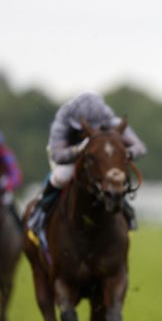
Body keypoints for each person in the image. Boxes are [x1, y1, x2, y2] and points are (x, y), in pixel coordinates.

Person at [27, 92, 147, 242]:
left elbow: (140, 147)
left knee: (113, 179)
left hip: (98, 161)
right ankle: (40, 212)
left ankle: (127, 214)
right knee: (61, 177)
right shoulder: (63, 121)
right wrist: (79, 149)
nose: (93, 131)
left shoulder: (110, 120)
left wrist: (124, 153)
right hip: (70, 157)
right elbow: (57, 155)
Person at [0, 131, 23, 227]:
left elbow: (16, 175)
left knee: (10, 205)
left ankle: (21, 231)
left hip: (4, 192)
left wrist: (9, 184)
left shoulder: (7, 155)